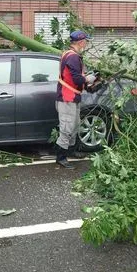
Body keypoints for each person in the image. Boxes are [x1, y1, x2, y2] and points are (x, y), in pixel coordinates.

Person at [55, 30, 97, 169]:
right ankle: (61, 158)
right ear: (80, 42)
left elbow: (75, 78)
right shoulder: (72, 57)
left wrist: (88, 85)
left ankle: (72, 152)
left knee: (75, 125)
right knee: (67, 127)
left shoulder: (72, 55)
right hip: (67, 98)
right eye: (86, 41)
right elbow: (77, 79)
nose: (86, 43)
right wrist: (88, 79)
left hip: (73, 96)